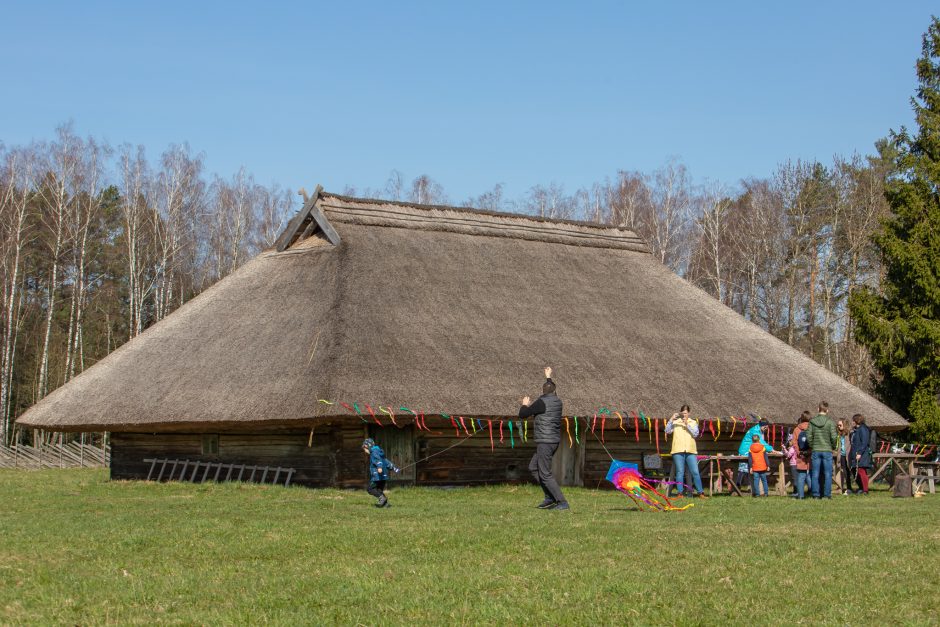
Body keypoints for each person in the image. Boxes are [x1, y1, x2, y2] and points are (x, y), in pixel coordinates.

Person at [519, 366, 569, 510]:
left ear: (542, 391)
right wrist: (548, 377)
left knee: (545, 473)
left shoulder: (541, 403)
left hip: (545, 442)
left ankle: (562, 502)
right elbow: (552, 389)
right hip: (552, 441)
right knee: (533, 467)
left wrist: (524, 404)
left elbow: (523, 414)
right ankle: (549, 497)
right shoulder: (558, 401)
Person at [664, 405, 706, 498]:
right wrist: (671, 419)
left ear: (689, 413)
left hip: (690, 450)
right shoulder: (675, 422)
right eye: (683, 413)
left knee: (695, 472)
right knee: (680, 472)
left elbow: (695, 434)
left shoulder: (693, 422)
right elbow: (667, 431)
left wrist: (687, 423)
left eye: (686, 413)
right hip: (678, 450)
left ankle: (701, 492)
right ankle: (680, 493)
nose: (684, 415)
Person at [806, 401, 838, 499]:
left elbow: (809, 436)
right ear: (827, 410)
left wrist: (812, 446)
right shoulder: (830, 422)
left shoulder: (812, 422)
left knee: (815, 473)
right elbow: (834, 437)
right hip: (827, 450)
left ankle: (816, 494)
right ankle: (827, 495)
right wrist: (832, 447)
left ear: (818, 409)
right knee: (828, 473)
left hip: (816, 450)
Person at [362, 438, 400, 508]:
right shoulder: (379, 452)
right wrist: (394, 468)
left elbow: (378, 460)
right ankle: (386, 505)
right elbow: (386, 462)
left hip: (377, 476)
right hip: (383, 476)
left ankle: (382, 499)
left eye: (365, 448)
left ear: (368, 446)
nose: (365, 451)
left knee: (370, 489)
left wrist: (379, 467)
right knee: (379, 490)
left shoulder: (374, 452)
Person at [736, 419, 774, 488]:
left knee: (744, 469)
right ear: (762, 425)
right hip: (745, 451)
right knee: (743, 469)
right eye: (765, 427)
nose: (766, 429)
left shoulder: (757, 429)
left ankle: (750, 486)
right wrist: (771, 449)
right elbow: (761, 443)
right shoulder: (755, 431)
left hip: (747, 450)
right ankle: (738, 485)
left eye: (767, 427)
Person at [785, 411, 812, 498]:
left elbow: (794, 443)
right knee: (811, 474)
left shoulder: (797, 429)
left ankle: (800, 495)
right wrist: (810, 451)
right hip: (810, 454)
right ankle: (812, 493)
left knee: (801, 475)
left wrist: (799, 452)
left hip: (800, 455)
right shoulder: (812, 428)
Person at [849, 414, 874, 494]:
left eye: (853, 420)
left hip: (862, 453)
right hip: (855, 452)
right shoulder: (856, 430)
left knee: (861, 471)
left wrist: (859, 453)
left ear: (856, 420)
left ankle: (865, 490)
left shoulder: (863, 429)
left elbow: (864, 442)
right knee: (854, 470)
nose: (852, 422)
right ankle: (861, 487)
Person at [837, 419, 852, 495]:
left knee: (849, 472)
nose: (839, 427)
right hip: (842, 455)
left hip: (848, 455)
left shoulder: (850, 434)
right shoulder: (840, 434)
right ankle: (847, 488)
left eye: (840, 425)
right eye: (838, 425)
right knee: (845, 472)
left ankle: (849, 488)